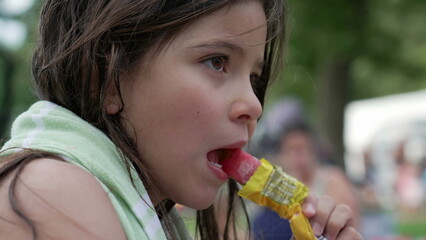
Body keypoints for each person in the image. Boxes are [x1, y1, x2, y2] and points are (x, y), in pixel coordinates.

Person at [0, 1, 363, 240]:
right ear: (105, 79)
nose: (254, 105)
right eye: (217, 62)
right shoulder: (49, 191)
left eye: (254, 78)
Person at [251, 98, 360, 240]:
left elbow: (351, 224)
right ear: (282, 154)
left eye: (303, 148)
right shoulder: (275, 187)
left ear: (313, 150)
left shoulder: (332, 178)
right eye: (292, 149)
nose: (299, 155)